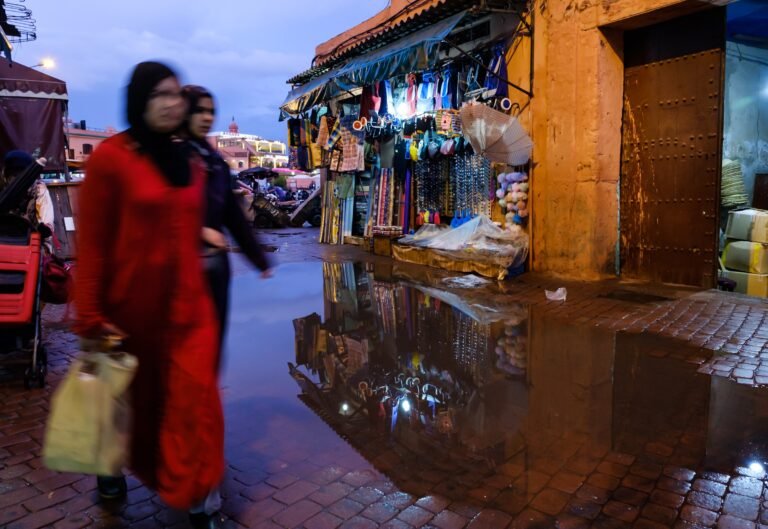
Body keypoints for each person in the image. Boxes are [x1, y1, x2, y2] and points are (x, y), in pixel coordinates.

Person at [74, 62, 224, 529]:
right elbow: (93, 244)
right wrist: (91, 315)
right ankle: (110, 468)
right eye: (159, 94)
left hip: (187, 310)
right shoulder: (111, 159)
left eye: (175, 94)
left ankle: (197, 494)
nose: (170, 103)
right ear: (139, 99)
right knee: (128, 407)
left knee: (195, 401)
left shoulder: (190, 161)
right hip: (130, 313)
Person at [180, 85, 272, 356]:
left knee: (212, 346)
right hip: (181, 273)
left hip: (215, 271)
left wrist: (258, 259)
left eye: (210, 112)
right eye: (199, 111)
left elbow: (233, 216)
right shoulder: (171, 159)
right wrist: (199, 231)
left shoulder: (216, 163)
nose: (207, 117)